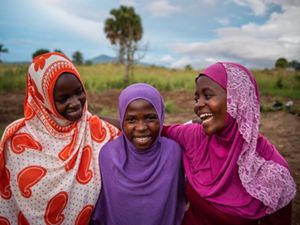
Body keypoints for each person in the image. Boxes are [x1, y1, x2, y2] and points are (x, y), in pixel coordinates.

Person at [162, 62, 296, 225]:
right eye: (196, 98)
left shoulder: (272, 172)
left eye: (207, 95)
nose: (197, 105)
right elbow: (154, 130)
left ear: (237, 99)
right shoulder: (195, 136)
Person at [0, 52, 120, 224]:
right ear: (44, 100)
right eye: (63, 99)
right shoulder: (18, 140)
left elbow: (133, 129)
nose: (75, 102)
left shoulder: (93, 127)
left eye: (79, 92)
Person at [90, 83, 185, 225]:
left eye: (150, 117)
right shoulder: (108, 155)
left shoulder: (173, 153)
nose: (141, 127)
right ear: (122, 120)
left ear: (160, 116)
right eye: (131, 119)